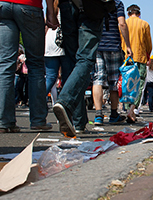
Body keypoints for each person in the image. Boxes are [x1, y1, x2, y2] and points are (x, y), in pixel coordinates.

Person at [0, 0, 57, 133]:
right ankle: (38, 120)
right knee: (35, 64)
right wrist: (50, 12)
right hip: (29, 5)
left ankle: (4, 121)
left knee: (5, 65)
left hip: (3, 5)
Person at [52, 0, 106, 137]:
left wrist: (51, 11)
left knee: (73, 62)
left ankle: (79, 121)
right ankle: (65, 103)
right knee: (85, 59)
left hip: (67, 5)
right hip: (91, 8)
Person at [93, 0, 132, 126]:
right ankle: (114, 114)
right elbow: (122, 24)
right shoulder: (117, 3)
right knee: (114, 82)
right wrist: (128, 45)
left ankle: (98, 115)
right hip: (113, 45)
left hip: (97, 44)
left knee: (98, 79)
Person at [121, 4, 152, 123]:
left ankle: (128, 108)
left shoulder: (124, 23)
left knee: (128, 84)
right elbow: (148, 43)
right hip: (141, 57)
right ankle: (132, 110)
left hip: (127, 58)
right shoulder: (144, 24)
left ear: (128, 13)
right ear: (139, 13)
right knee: (139, 85)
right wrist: (148, 54)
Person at [44, 0, 71, 100]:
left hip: (49, 42)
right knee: (66, 77)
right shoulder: (64, 6)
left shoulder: (50, 8)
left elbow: (46, 26)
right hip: (62, 41)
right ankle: (64, 102)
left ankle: (38, 101)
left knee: (50, 77)